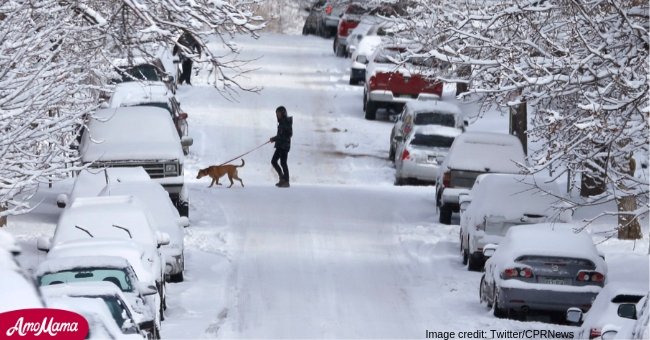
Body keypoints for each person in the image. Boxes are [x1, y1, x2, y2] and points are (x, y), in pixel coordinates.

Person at [270, 106, 293, 188]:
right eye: (277, 114)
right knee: (274, 161)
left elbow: (289, 134)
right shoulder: (282, 122)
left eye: (279, 113)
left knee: (282, 163)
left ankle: (286, 180)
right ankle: (282, 178)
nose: (278, 115)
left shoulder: (286, 122)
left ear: (283, 113)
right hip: (280, 145)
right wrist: (275, 138)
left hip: (284, 146)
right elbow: (280, 135)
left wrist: (276, 138)